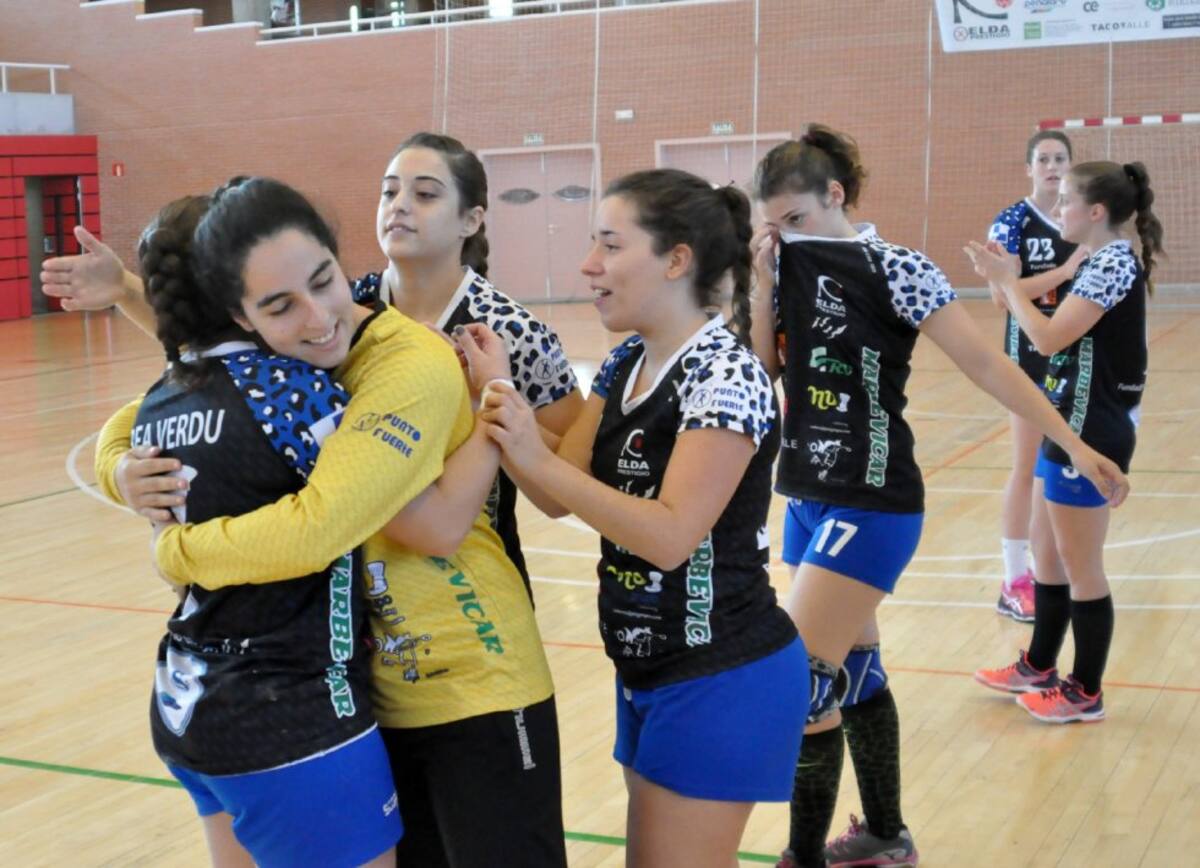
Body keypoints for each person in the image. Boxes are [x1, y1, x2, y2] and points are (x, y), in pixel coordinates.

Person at [95, 177, 567, 867]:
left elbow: (405, 527)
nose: (317, 317)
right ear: (242, 317)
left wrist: (176, 551)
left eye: (324, 282)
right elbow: (143, 410)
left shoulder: (402, 364)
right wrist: (120, 470)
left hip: (467, 677)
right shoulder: (287, 370)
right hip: (363, 688)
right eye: (280, 305)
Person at [748, 125, 1129, 868]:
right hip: (805, 495)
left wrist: (1076, 445)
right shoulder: (783, 266)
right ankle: (885, 835)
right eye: (774, 225)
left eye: (796, 218)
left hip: (872, 499)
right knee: (856, 673)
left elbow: (989, 365)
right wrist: (763, 285)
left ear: (835, 195)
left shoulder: (897, 268)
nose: (786, 234)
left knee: (797, 685)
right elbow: (766, 369)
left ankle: (803, 857)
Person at [43, 131, 584, 601]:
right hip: (359, 593)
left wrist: (482, 399)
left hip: (464, 584)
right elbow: (225, 367)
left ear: (472, 219)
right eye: (389, 191)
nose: (399, 206)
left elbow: (561, 492)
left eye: (424, 194)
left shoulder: (512, 332)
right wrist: (119, 468)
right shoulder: (346, 305)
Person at [461, 168, 808, 868]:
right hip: (646, 668)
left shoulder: (727, 373)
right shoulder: (626, 361)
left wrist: (526, 441)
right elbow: (558, 492)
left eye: (610, 245)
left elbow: (670, 535)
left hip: (720, 672)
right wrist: (495, 393)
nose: (589, 265)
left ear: (676, 260)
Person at [100, 189, 401, 868]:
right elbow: (399, 503)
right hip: (294, 715)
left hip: (187, 701)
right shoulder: (296, 391)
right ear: (234, 291)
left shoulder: (159, 402)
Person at [969, 160, 1161, 724]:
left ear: (1096, 212)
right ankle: (1039, 664)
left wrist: (1007, 281)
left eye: (1066, 201)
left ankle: (1086, 691)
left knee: (1081, 567)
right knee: (1047, 557)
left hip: (1093, 431)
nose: (1057, 210)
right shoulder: (1099, 260)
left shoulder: (1112, 264)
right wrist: (1005, 280)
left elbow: (1048, 337)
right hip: (1067, 418)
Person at [983, 130, 1087, 622]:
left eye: (1060, 158)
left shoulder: (1080, 219)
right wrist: (1063, 273)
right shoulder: (1012, 222)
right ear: (1029, 168)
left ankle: (1050, 571)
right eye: (1043, 159)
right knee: (1026, 468)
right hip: (1027, 361)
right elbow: (1001, 294)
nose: (1052, 166)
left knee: (1058, 468)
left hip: (1073, 359)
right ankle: (1013, 580)